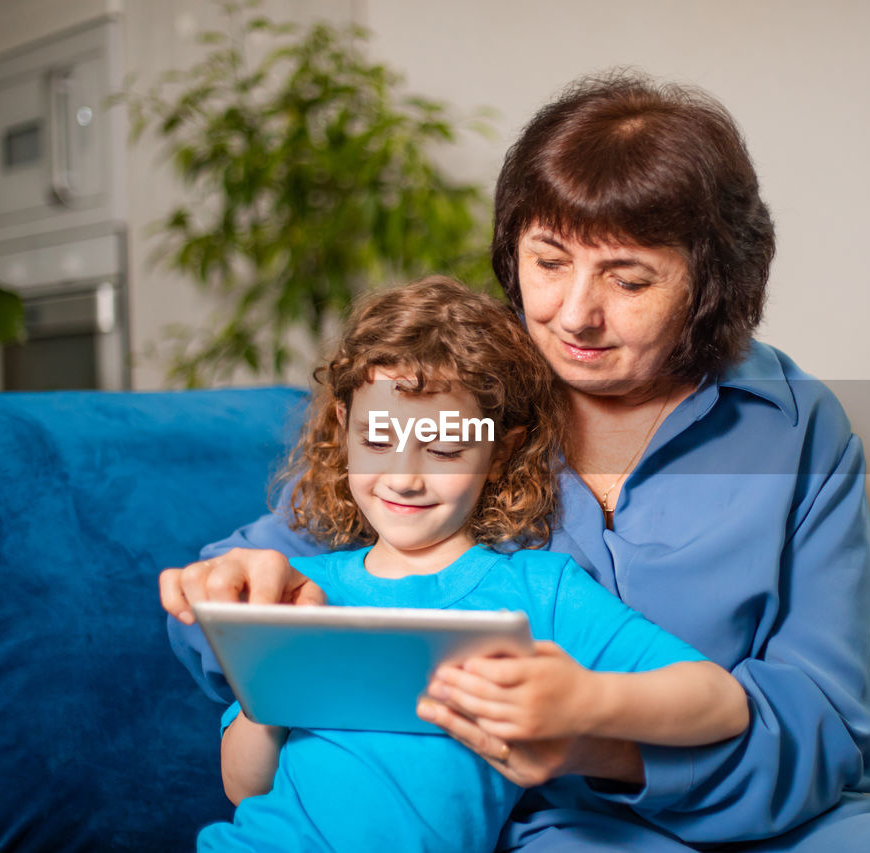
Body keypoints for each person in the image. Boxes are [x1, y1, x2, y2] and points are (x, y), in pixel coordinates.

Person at [162, 72, 870, 851]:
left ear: (712, 286)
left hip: (763, 808)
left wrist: (595, 741)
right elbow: (248, 605)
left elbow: (827, 719)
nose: (575, 313)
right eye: (548, 262)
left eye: (629, 279)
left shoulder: (796, 429)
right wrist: (232, 594)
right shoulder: (461, 393)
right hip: (550, 823)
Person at [195, 276, 752, 852]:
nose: (405, 477)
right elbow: (243, 787)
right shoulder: (305, 592)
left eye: (443, 449)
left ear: (500, 450)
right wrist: (272, 685)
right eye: (379, 440)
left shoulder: (539, 593)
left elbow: (721, 702)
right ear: (343, 427)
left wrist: (586, 702)